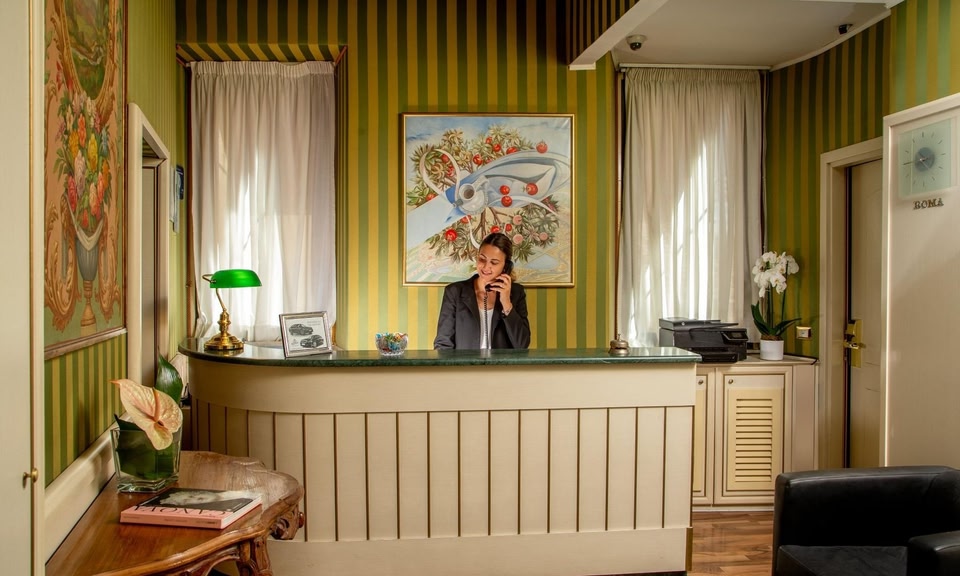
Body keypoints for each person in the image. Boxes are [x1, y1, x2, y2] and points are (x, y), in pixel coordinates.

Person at [434, 232, 531, 350]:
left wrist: (506, 303)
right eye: (482, 259)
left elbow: (522, 345)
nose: (485, 267)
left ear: (505, 266)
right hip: (464, 362)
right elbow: (443, 344)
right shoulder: (454, 292)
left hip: (502, 363)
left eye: (494, 262)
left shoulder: (516, 293)